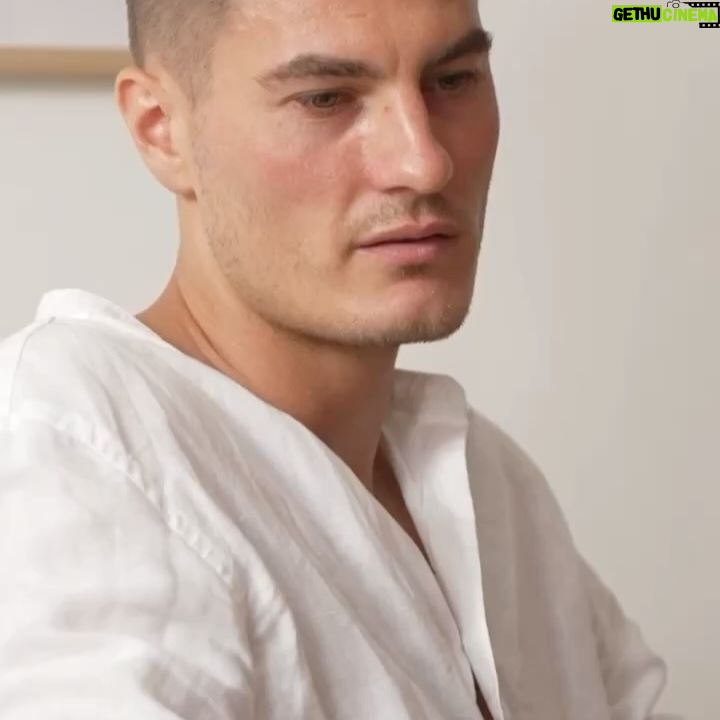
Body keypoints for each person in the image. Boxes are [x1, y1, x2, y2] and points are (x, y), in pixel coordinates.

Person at [0, 0, 675, 718]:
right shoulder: (67, 459)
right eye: (325, 98)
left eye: (452, 80)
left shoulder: (488, 484)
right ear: (161, 129)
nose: (424, 162)